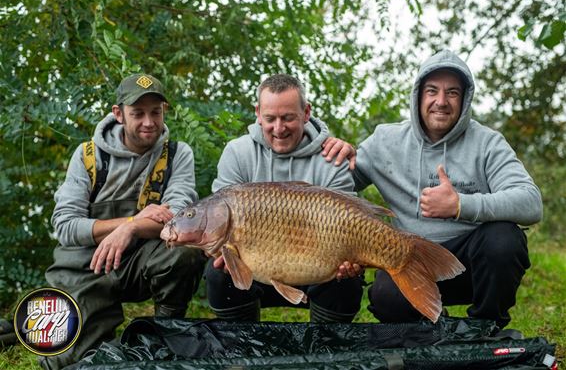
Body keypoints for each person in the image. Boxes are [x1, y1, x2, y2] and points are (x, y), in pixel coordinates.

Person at [326, 49, 542, 329]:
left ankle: (486, 327)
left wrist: (461, 205)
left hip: (471, 266)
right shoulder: (385, 141)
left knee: (504, 238)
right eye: (432, 91)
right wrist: (334, 150)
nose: (441, 102)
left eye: (452, 93)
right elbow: (336, 187)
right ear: (418, 96)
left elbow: (530, 202)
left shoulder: (488, 143)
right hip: (411, 259)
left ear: (465, 100)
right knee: (385, 296)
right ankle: (434, 329)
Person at [42, 74, 206, 369]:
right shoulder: (87, 156)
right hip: (86, 267)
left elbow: (180, 223)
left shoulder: (178, 155)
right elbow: (65, 226)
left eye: (155, 112)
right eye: (137, 113)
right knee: (70, 362)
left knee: (185, 253)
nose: (148, 122)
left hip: (140, 262)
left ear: (164, 110)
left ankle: (165, 337)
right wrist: (131, 219)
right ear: (118, 114)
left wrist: (130, 229)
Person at [205, 73, 364, 323]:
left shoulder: (332, 158)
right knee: (218, 274)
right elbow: (217, 217)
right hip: (254, 270)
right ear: (258, 113)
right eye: (270, 119)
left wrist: (350, 260)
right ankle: (242, 348)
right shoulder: (237, 153)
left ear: (306, 112)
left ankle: (326, 350)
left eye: (288, 117)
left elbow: (350, 223)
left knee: (348, 279)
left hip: (317, 271)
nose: (279, 129)